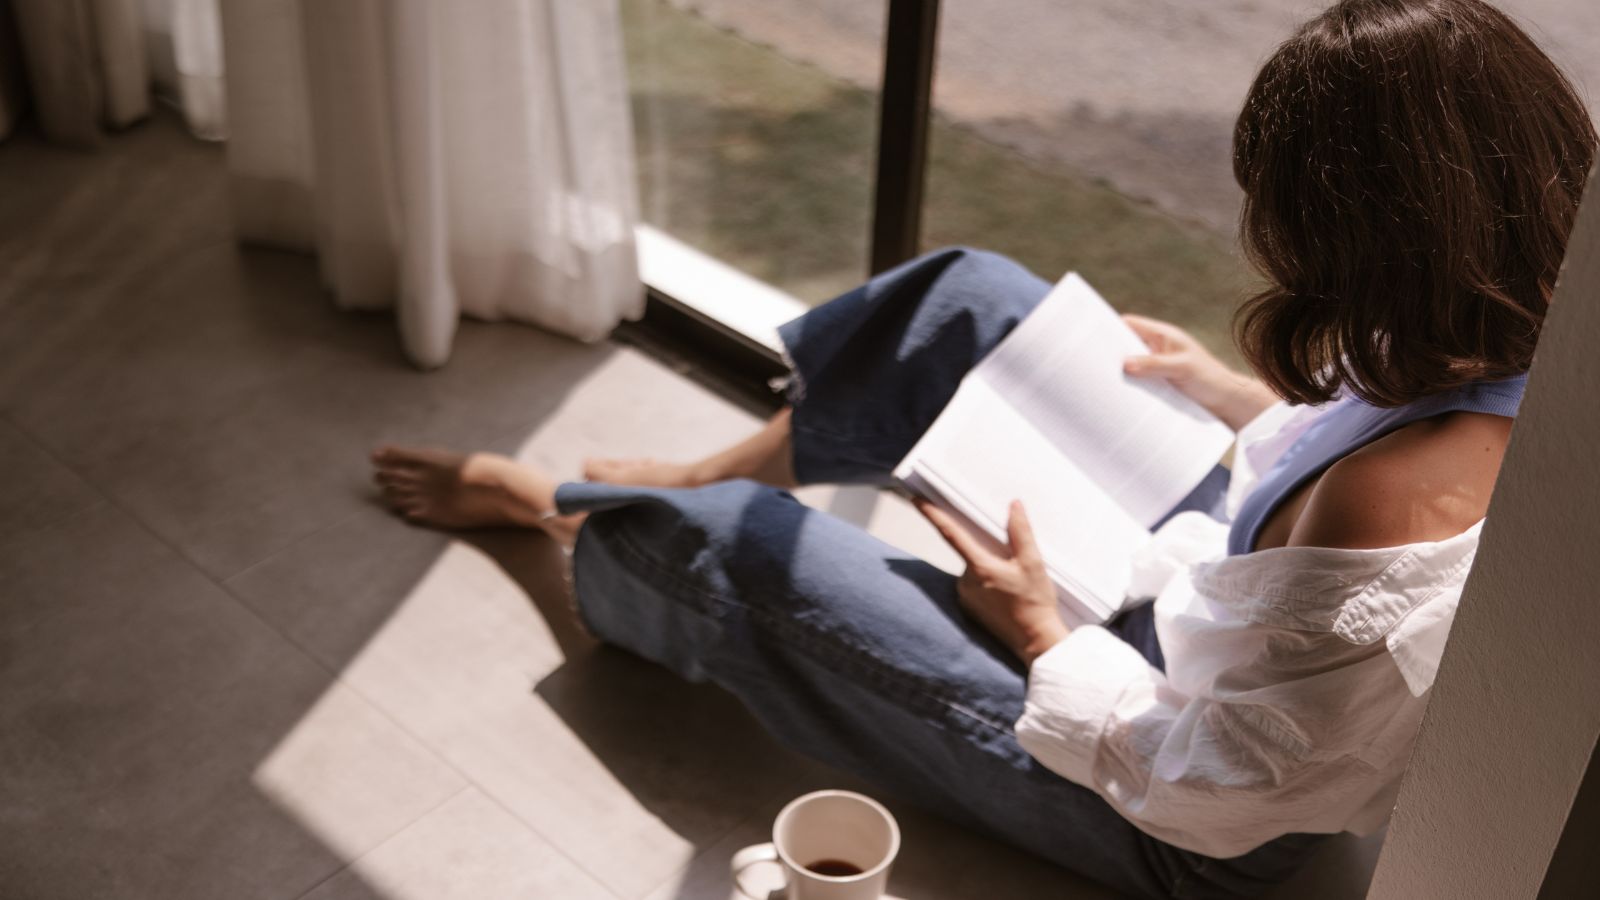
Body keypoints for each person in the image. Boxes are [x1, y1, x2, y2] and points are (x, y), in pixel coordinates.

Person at [370, 1, 1597, 896]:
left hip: (1181, 804)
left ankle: (572, 519)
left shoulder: (1388, 507)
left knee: (720, 556)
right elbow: (1350, 511)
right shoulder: (1530, 317)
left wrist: (1037, 630)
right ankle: (704, 467)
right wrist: (1223, 396)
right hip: (1211, 623)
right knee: (970, 301)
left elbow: (1222, 791)